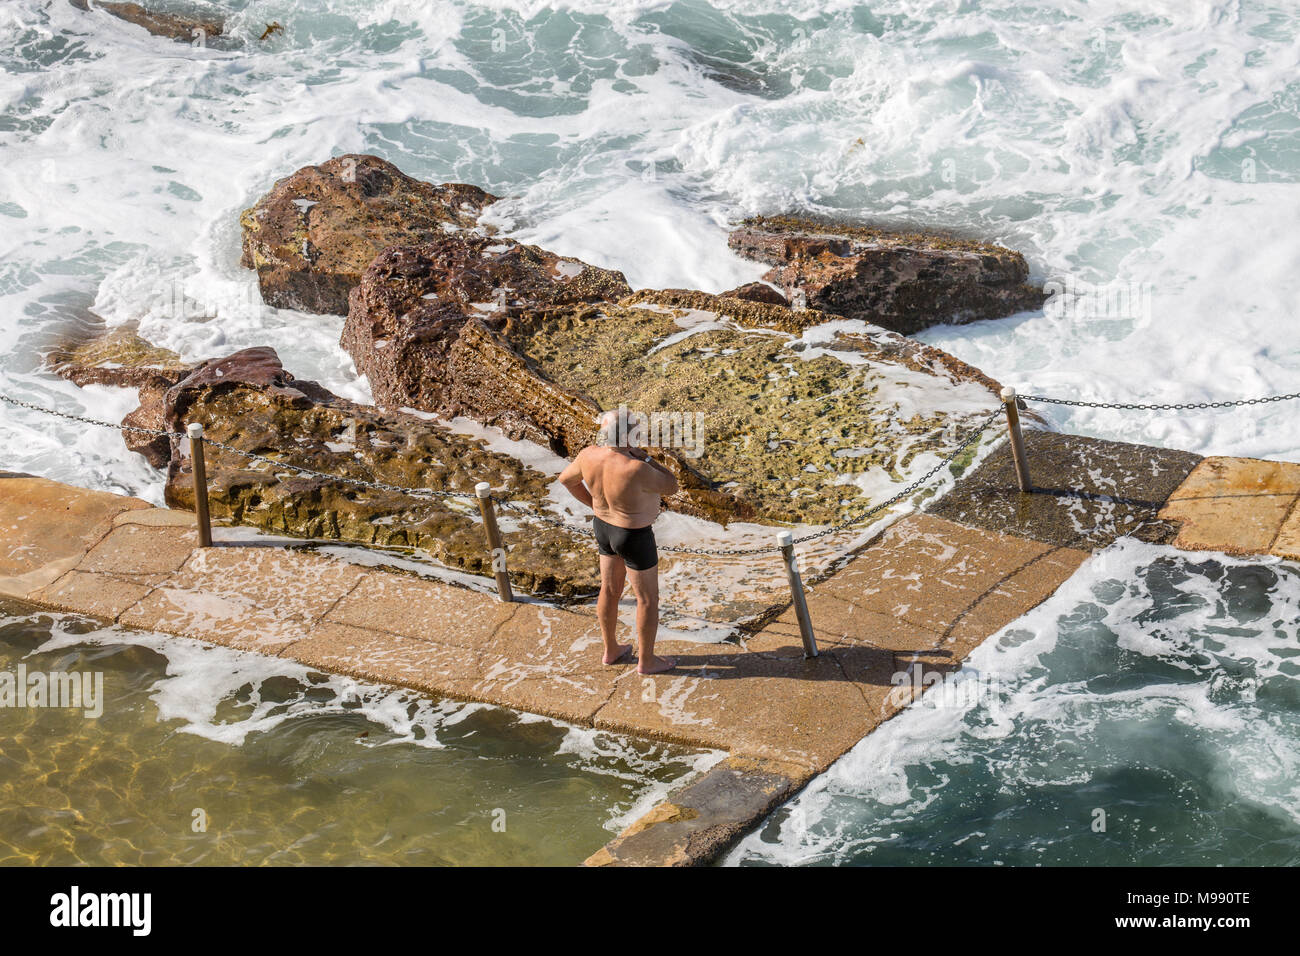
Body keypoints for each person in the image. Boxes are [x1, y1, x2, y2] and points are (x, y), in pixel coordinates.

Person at [558, 409, 679, 674]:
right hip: (634, 535)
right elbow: (672, 485)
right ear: (629, 435)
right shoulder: (636, 467)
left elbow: (566, 479)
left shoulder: (588, 455)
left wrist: (594, 505)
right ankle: (646, 662)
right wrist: (645, 456)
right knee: (647, 600)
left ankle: (611, 649)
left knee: (609, 590)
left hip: (603, 528)